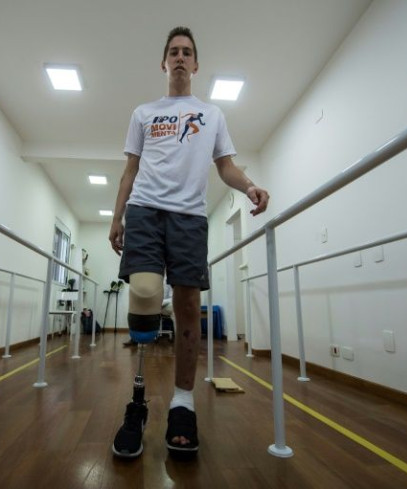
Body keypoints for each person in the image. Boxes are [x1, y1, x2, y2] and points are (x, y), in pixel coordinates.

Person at [109, 26, 269, 458]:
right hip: (144, 210)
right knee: (144, 294)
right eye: (173, 52)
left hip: (189, 217)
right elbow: (129, 170)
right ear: (164, 63)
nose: (180, 58)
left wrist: (249, 187)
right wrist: (117, 216)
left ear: (196, 65)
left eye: (187, 53)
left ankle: (182, 402)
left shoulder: (212, 114)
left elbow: (226, 167)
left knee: (184, 308)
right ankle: (138, 403)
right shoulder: (144, 112)